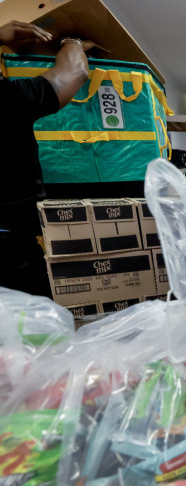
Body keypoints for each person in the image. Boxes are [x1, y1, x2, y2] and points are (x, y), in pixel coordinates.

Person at [0, 21, 94, 296]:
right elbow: (75, 72)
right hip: (10, 248)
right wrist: (73, 43)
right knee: (32, 329)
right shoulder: (9, 98)